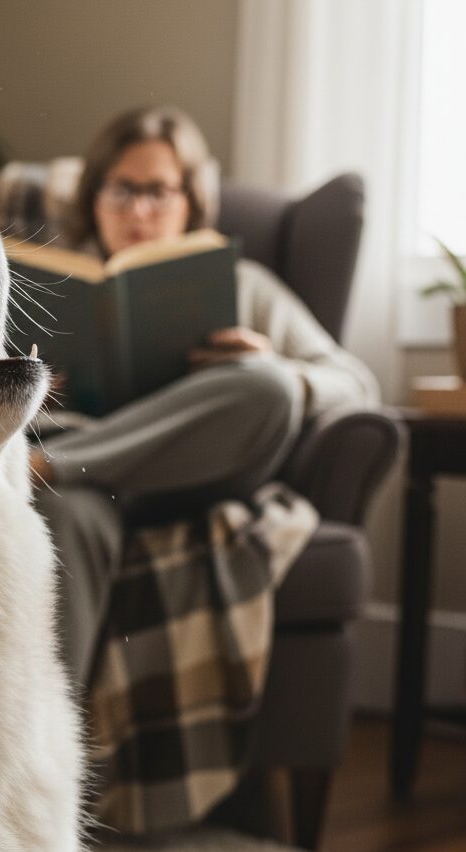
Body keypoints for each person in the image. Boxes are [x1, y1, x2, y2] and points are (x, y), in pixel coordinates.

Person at [28, 106, 379, 691]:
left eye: (158, 191)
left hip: (197, 477)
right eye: (122, 190)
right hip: (92, 487)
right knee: (64, 512)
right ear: (94, 197)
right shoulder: (55, 286)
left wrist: (271, 359)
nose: (139, 210)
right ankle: (47, 768)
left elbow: (358, 382)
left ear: (190, 200)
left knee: (269, 387)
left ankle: (45, 462)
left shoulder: (245, 285)